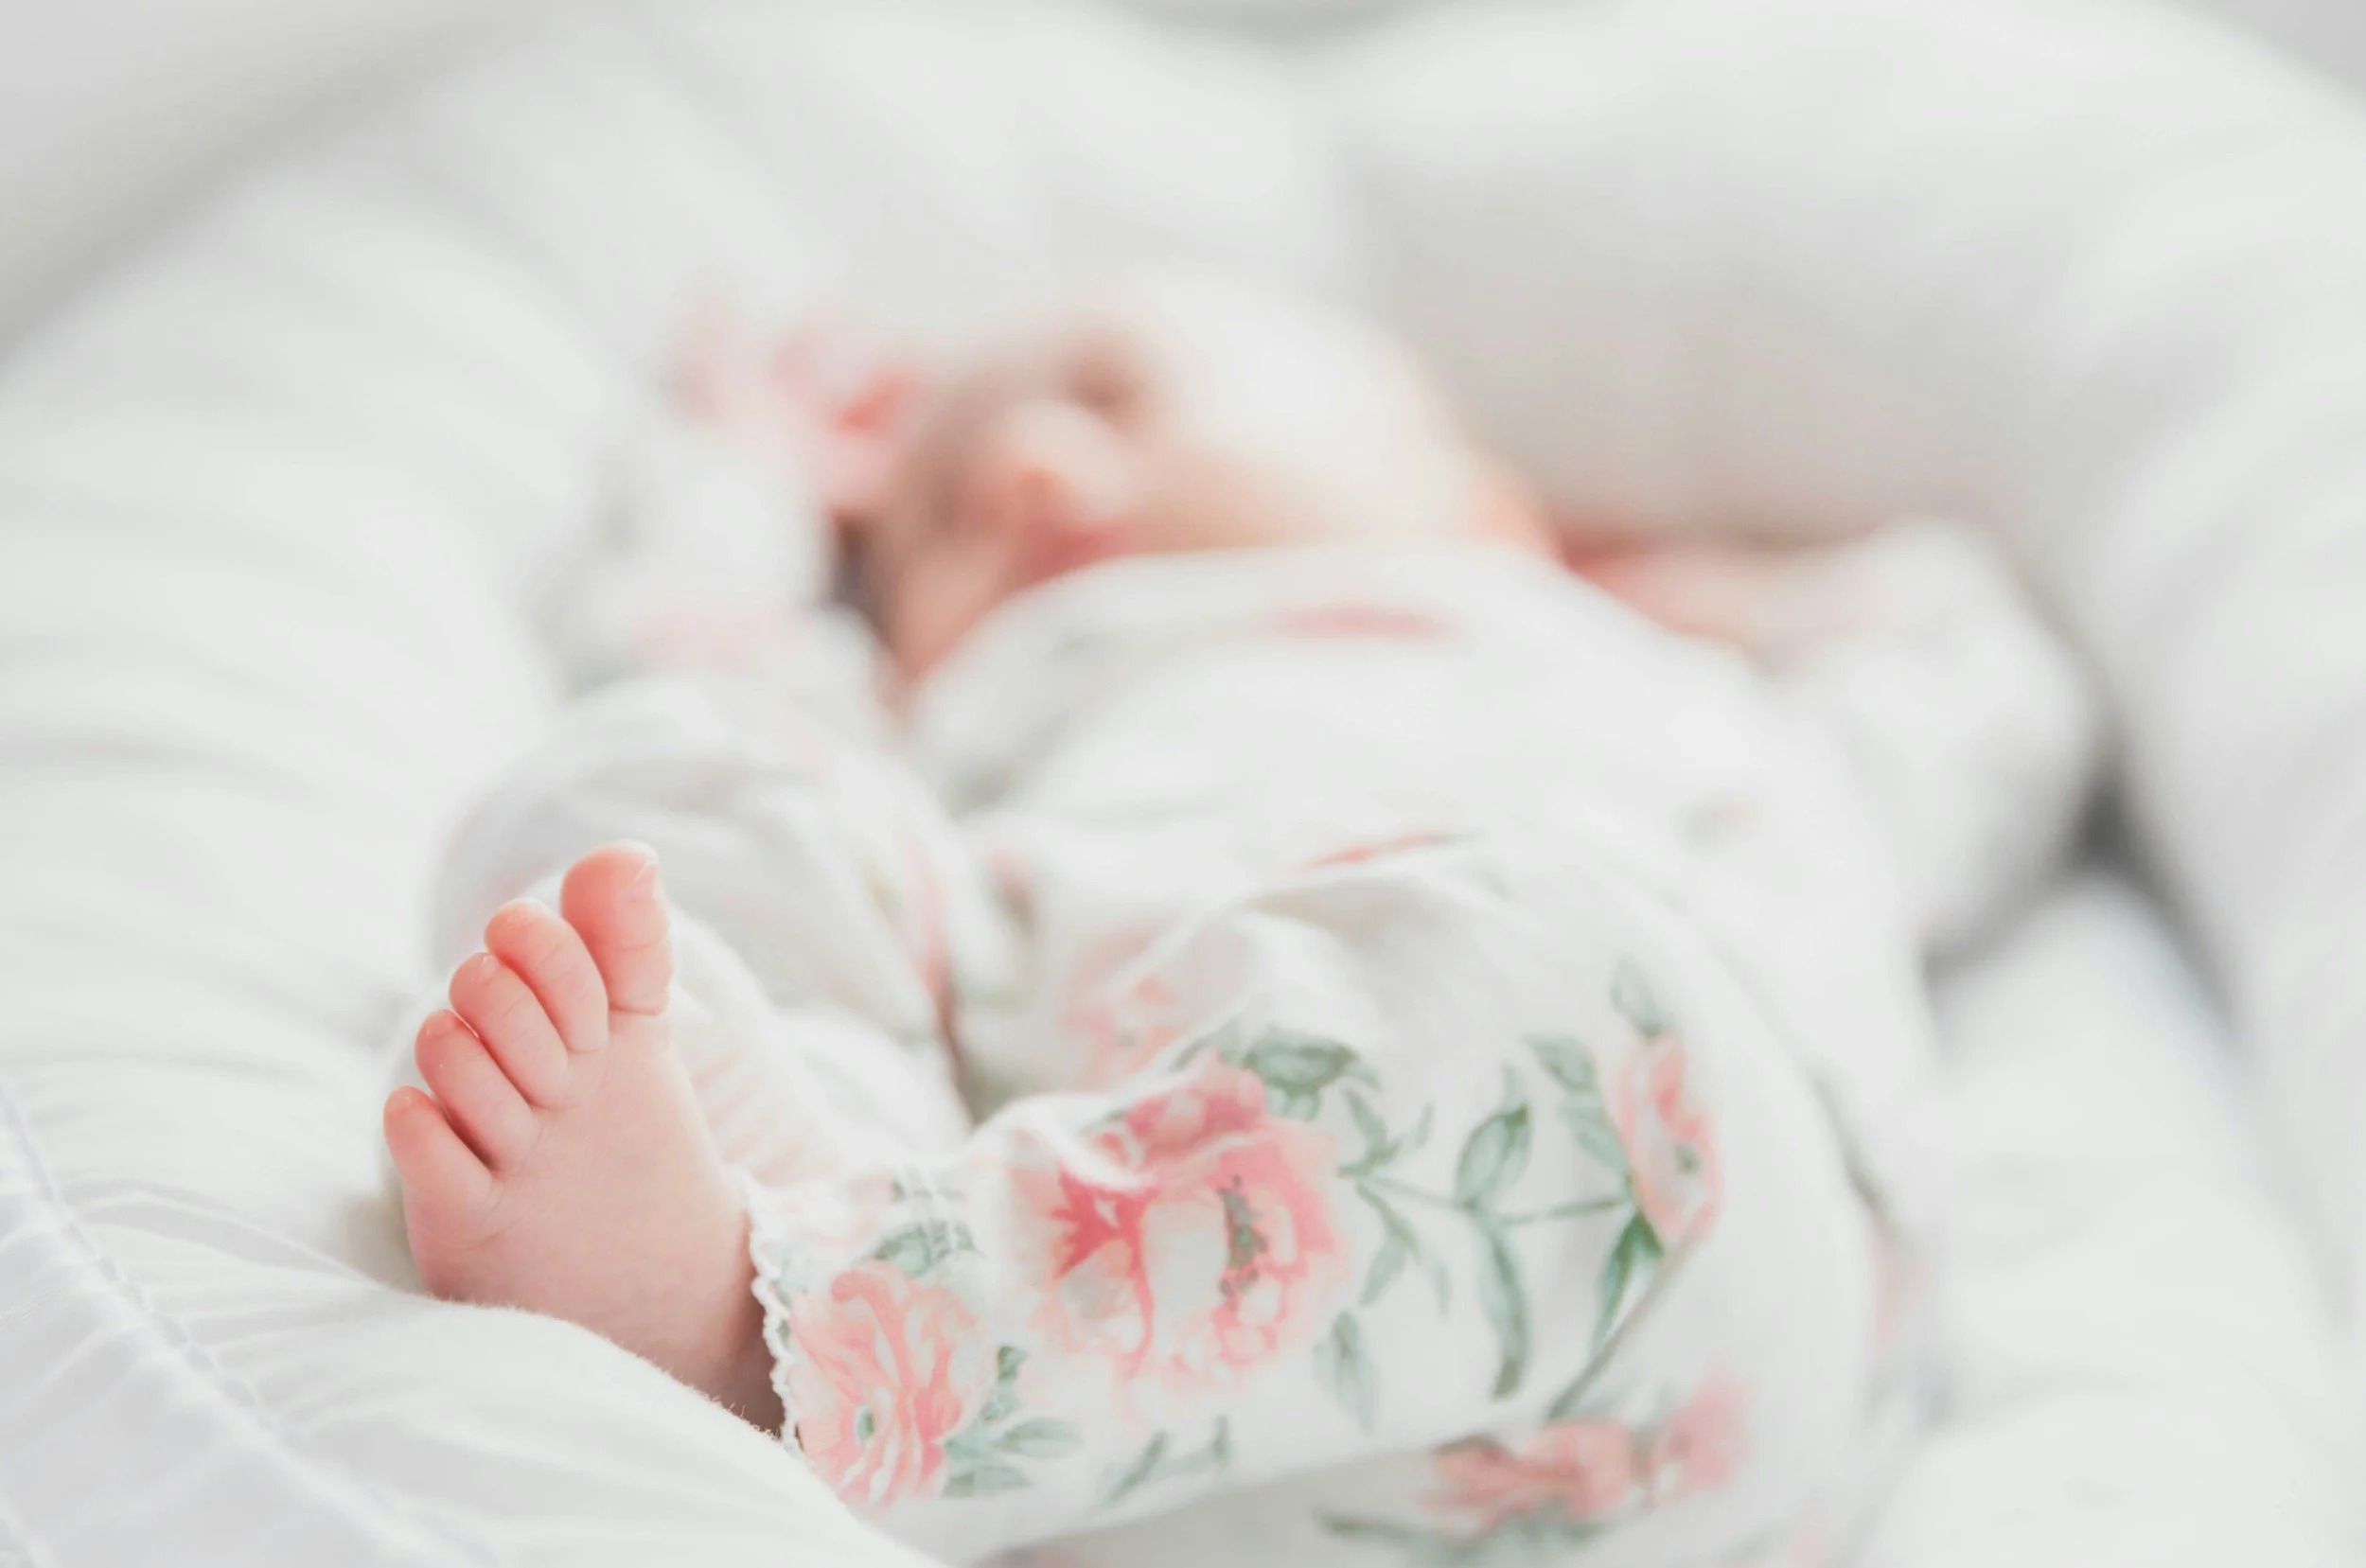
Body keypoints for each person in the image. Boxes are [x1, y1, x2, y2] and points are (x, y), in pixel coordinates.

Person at [383, 270, 2092, 1566]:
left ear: (1481, 495)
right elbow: (688, 648)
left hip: (1646, 1321)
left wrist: (1634, 586)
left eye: (1119, 395)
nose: (1031, 471)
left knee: (1539, 988)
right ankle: (804, 1222)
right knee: (663, 780)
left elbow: (1987, 677)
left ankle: (802, 1339)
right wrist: (746, 473)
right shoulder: (970, 717)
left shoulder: (1640, 688)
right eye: (935, 521)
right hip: (1126, 1370)